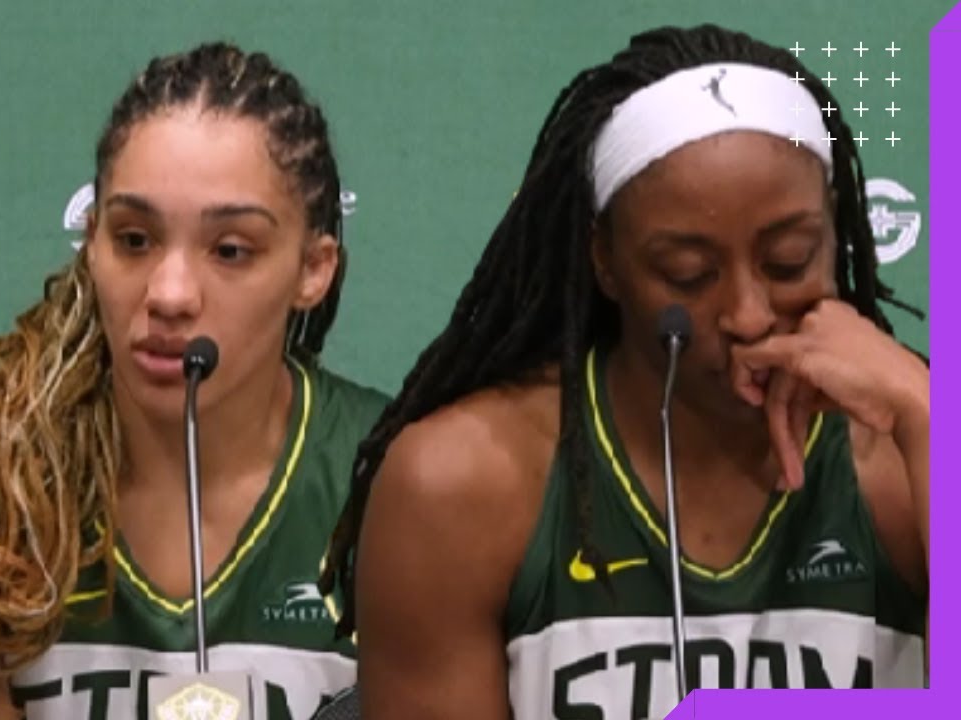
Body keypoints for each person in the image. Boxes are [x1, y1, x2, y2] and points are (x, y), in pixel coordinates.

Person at [320, 23, 929, 720]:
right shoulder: (466, 485)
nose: (749, 314)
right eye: (688, 274)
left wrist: (926, 413)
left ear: (838, 230)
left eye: (789, 260)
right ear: (605, 261)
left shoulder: (906, 464)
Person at [0, 41, 389, 720]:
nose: (169, 294)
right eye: (134, 240)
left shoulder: (399, 488)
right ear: (92, 242)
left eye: (230, 250)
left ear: (314, 269)